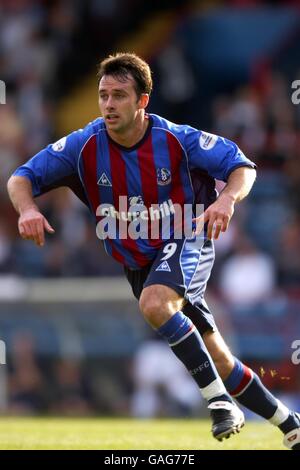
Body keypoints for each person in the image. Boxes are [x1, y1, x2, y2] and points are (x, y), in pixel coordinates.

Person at [7, 52, 299, 449]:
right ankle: (290, 424)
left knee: (155, 303)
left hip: (186, 238)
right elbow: (21, 176)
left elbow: (241, 166)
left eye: (120, 95)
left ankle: (218, 405)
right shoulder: (83, 146)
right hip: (139, 263)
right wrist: (26, 209)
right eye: (103, 95)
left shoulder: (177, 139)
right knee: (221, 360)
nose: (109, 104)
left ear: (143, 101)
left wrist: (226, 200)